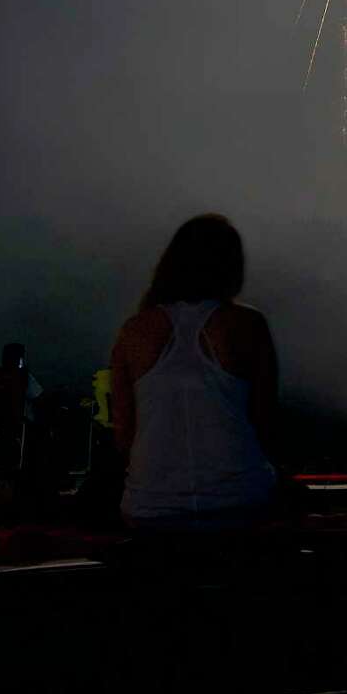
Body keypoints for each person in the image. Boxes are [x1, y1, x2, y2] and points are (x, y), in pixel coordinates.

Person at [111, 213, 279, 525]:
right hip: (240, 500)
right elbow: (266, 422)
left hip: (149, 505)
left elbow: (123, 434)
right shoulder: (247, 325)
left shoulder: (134, 331)